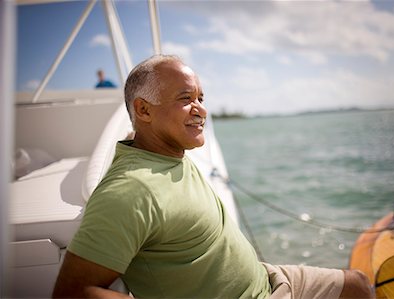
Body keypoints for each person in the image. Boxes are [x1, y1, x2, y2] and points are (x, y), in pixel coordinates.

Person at [52, 55, 373, 299]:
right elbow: (74, 293)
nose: (201, 109)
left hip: (267, 278)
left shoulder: (167, 151)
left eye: (201, 99)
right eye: (185, 99)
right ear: (144, 111)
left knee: (359, 284)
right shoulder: (131, 191)